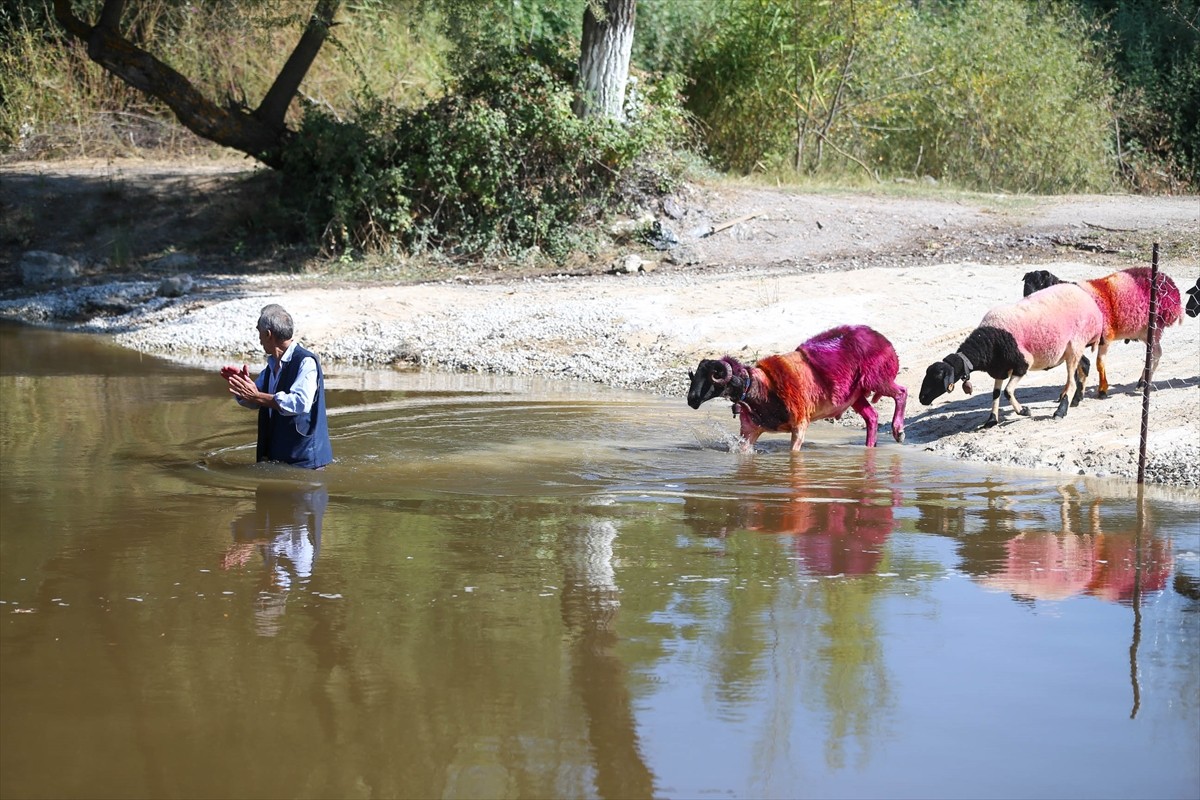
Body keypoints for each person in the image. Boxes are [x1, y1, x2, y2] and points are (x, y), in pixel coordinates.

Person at [221, 303, 333, 469]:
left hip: (305, 461)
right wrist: (242, 387)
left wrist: (257, 395)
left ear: (268, 334)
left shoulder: (306, 362)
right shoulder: (271, 366)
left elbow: (300, 403)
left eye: (258, 331)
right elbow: (255, 400)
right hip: (278, 456)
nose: (258, 338)